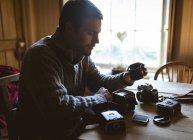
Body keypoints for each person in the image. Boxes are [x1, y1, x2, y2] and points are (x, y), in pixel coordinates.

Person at [16, 0, 147, 140]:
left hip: (72, 127)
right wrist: (98, 98)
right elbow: (59, 107)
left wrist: (126, 77)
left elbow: (98, 81)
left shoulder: (79, 51)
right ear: (70, 28)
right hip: (44, 134)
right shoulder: (40, 55)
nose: (97, 41)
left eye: (97, 33)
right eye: (91, 33)